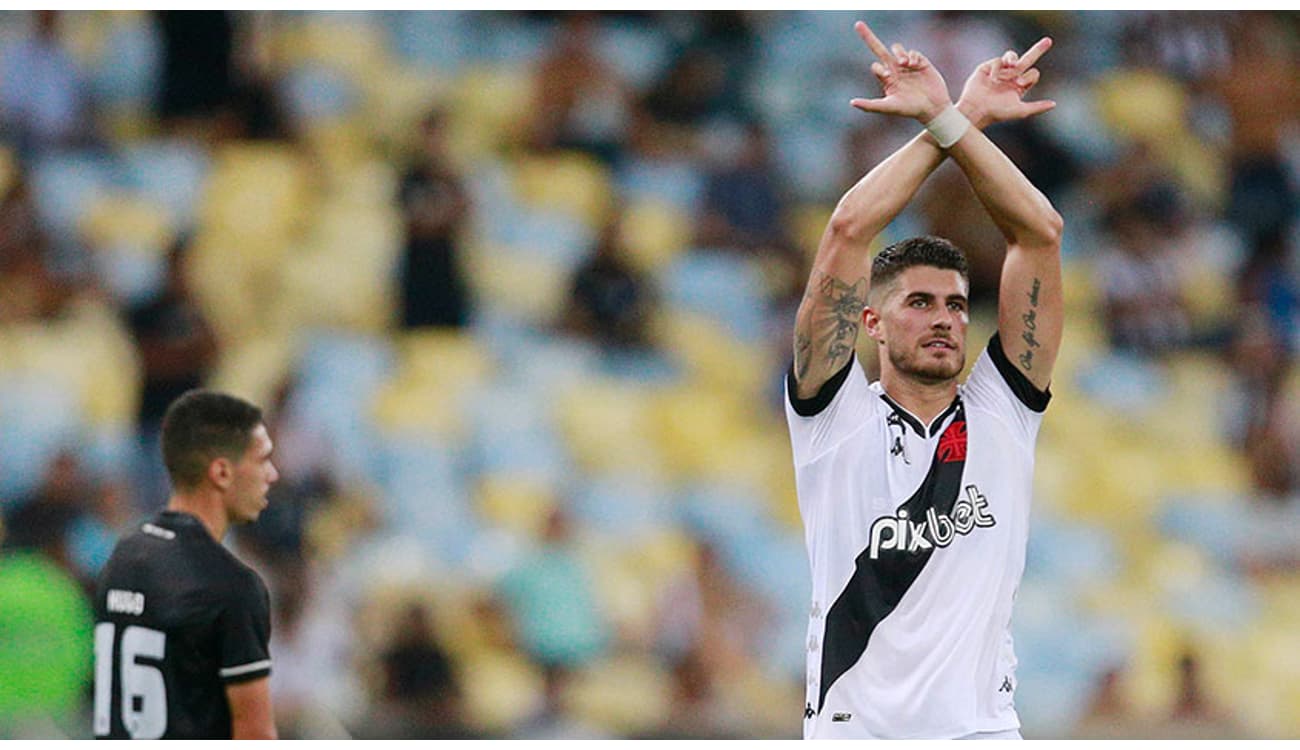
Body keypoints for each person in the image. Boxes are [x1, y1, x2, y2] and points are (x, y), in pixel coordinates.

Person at [785, 21, 1063, 740]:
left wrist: (954, 119)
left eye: (956, 306)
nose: (945, 320)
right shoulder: (832, 419)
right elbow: (848, 230)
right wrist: (955, 120)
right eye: (919, 302)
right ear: (870, 322)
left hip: (982, 733)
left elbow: (1039, 233)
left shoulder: (1003, 411)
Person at [93, 390, 280, 739]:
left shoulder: (123, 556)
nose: (273, 474)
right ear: (222, 472)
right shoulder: (232, 585)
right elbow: (256, 734)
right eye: (263, 460)